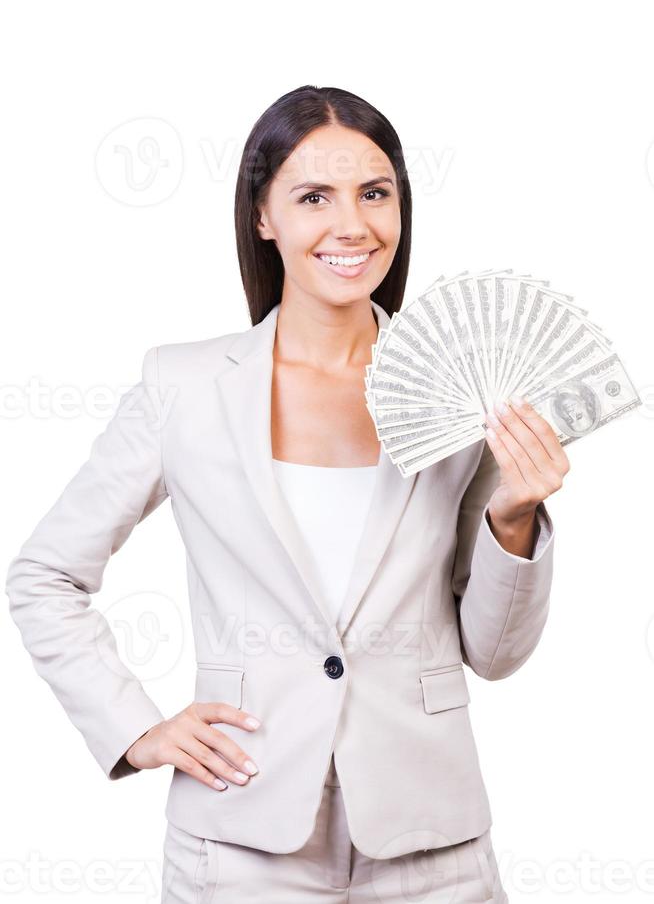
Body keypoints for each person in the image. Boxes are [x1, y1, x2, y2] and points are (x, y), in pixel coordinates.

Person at [5, 85, 569, 902]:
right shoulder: (185, 385)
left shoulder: (460, 392)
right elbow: (45, 575)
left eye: (375, 194)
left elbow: (495, 653)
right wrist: (136, 728)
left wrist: (514, 519)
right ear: (263, 216)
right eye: (314, 198)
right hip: (240, 839)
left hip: (430, 843)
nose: (353, 226)